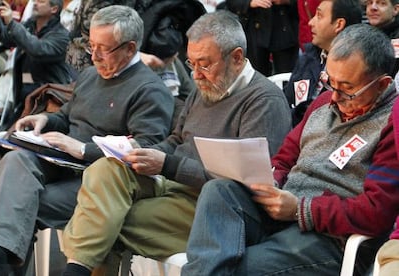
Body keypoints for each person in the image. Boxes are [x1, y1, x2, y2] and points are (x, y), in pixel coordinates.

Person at [60, 10, 292, 275]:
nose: (196, 75)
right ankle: (77, 268)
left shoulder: (264, 101)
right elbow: (176, 140)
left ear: (237, 57)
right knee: (106, 168)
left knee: (104, 221)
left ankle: (75, 270)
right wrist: (145, 154)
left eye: (205, 64)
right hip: (172, 184)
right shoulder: (205, 88)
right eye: (191, 64)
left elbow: (247, 186)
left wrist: (168, 164)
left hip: (211, 207)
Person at [181, 23, 399, 275]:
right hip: (281, 211)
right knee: (219, 191)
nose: (335, 97)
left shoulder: (391, 124)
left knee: (232, 267)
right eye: (330, 82)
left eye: (348, 89)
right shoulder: (323, 102)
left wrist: (300, 209)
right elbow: (285, 159)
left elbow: (376, 212)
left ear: (382, 85)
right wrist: (269, 180)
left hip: (329, 238)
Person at [0, 5, 175, 275]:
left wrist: (84, 149)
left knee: (16, 198)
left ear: (130, 49)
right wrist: (46, 121)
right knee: (16, 160)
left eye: (103, 48)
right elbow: (67, 115)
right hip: (62, 164)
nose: (94, 56)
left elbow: (145, 153)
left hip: (100, 183)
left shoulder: (150, 91)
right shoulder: (90, 76)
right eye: (91, 45)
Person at [0, 0, 74, 118]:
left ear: (54, 9)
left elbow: (37, 49)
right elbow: (7, 37)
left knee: (15, 134)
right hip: (25, 96)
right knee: (5, 134)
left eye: (41, 1)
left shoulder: (62, 36)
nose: (35, 3)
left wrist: (11, 23)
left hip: (49, 102)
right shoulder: (30, 25)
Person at [284, 0, 362, 126]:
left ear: (339, 24)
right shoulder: (308, 58)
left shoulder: (358, 70)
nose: (310, 22)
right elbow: (287, 101)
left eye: (319, 16)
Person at [225, 0, 299, 76]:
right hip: (254, 32)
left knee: (287, 78)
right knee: (255, 77)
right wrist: (250, 3)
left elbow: (305, 4)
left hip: (285, 31)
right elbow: (231, 3)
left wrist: (287, 1)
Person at [366, 0, 399, 75]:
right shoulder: (362, 33)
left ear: (395, 9)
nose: (373, 7)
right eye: (369, 3)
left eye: (382, 3)